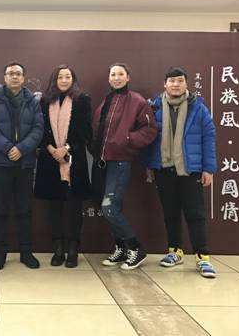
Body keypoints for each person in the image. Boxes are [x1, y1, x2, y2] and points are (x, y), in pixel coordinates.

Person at [143, 66, 217, 278]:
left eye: (180, 81)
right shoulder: (155, 108)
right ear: (165, 84)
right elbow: (149, 139)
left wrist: (208, 169)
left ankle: (202, 257)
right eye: (172, 81)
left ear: (186, 84)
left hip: (190, 170)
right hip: (163, 169)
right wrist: (149, 165)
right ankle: (175, 251)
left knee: (195, 214)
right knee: (171, 212)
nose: (175, 85)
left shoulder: (198, 108)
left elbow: (208, 138)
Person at [91, 63, 156, 270]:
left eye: (120, 74)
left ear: (128, 77)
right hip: (102, 162)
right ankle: (121, 248)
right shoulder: (107, 100)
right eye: (113, 74)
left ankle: (136, 247)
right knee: (113, 207)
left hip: (120, 161)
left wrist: (127, 139)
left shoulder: (137, 100)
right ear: (109, 78)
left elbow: (149, 129)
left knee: (109, 207)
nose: (116, 77)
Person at [0, 61, 44, 270]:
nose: (14, 77)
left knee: (25, 210)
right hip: (2, 163)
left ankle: (26, 252)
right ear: (5, 77)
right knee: (0, 210)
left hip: (25, 163)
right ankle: (0, 253)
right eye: (10, 73)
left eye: (18, 73)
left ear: (23, 78)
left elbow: (38, 128)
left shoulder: (32, 101)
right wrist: (8, 148)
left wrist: (22, 149)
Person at [34, 65, 92, 268]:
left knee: (74, 206)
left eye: (68, 76)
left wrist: (66, 149)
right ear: (54, 80)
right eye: (60, 77)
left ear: (73, 79)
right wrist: (52, 149)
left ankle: (73, 249)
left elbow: (85, 131)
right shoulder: (44, 101)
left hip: (74, 159)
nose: (64, 80)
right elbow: (40, 129)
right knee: (54, 206)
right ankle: (58, 248)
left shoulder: (82, 100)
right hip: (50, 159)